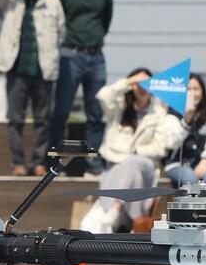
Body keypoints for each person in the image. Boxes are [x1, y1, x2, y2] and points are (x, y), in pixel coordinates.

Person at [78, 68, 183, 234]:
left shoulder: (158, 111)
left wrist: (136, 151)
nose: (142, 87)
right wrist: (127, 81)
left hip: (146, 168)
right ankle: (122, 215)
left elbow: (161, 146)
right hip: (116, 168)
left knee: (132, 162)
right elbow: (102, 95)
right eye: (138, 84)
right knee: (126, 168)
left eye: (146, 84)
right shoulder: (119, 107)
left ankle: (115, 209)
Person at [0, 0, 65, 176]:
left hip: (44, 68)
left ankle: (39, 162)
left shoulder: (52, 2)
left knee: (43, 119)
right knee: (15, 119)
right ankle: (17, 162)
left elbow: (61, 31)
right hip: (16, 68)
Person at [48, 0, 113, 166]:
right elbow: (53, 22)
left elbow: (105, 23)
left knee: (96, 112)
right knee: (61, 110)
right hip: (69, 55)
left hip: (96, 56)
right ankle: (54, 161)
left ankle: (93, 164)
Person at [164, 74, 206, 187]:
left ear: (203, 92)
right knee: (190, 180)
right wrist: (186, 120)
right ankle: (191, 205)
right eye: (188, 89)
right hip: (176, 164)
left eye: (196, 89)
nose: (192, 93)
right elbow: (171, 142)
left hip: (202, 163)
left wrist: (205, 160)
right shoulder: (173, 115)